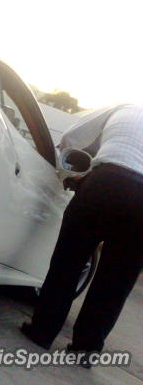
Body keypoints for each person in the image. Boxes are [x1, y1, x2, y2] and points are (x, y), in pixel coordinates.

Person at [21, 103, 143, 360]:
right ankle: (85, 351)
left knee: (67, 263)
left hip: (106, 182)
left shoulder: (126, 107)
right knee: (116, 283)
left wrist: (77, 172)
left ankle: (42, 333)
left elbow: (71, 138)